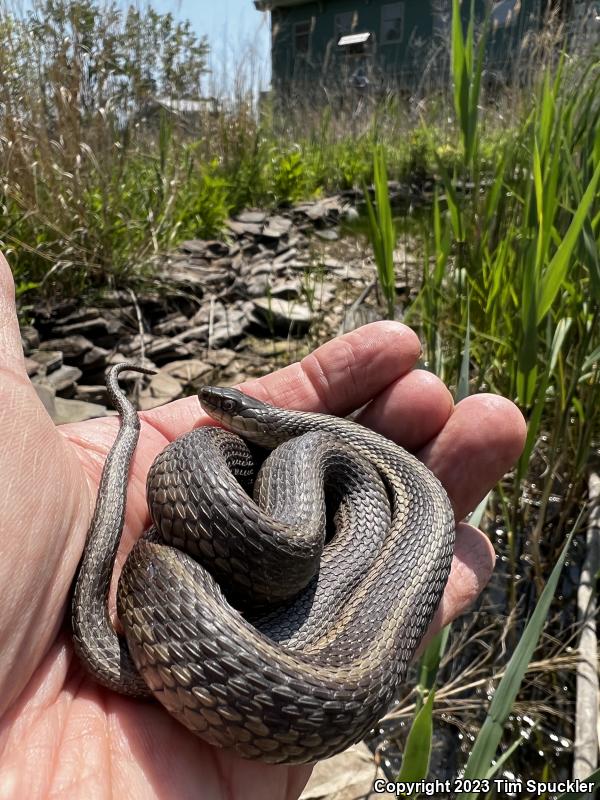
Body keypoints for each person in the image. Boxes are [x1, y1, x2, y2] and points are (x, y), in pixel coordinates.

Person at [0, 251, 526, 799]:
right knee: (220, 534)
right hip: (233, 595)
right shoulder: (256, 461)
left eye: (223, 405)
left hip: (298, 644)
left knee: (286, 539)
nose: (209, 407)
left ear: (253, 421)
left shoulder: (334, 469)